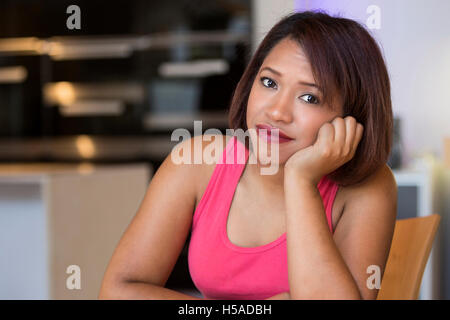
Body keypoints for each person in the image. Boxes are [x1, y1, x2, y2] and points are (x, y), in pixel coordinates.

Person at [98, 11, 397, 300]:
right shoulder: (197, 161)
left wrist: (301, 181)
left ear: (351, 119)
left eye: (309, 97)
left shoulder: (368, 186)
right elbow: (118, 291)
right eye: (269, 82)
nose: (277, 112)